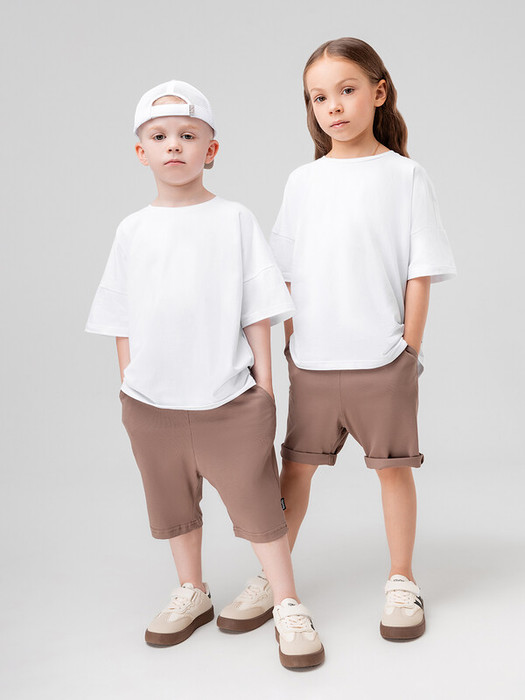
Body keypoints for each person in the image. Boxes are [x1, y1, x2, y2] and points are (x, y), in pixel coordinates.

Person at [84, 80, 324, 668]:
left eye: (188, 135)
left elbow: (257, 310)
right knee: (173, 505)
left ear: (210, 149)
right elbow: (121, 317)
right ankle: (191, 590)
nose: (174, 145)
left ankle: (286, 601)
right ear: (141, 151)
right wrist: (129, 386)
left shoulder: (233, 220)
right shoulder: (132, 230)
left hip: (228, 398)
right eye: (159, 136)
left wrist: (265, 390)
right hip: (151, 401)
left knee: (260, 506)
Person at [224, 38, 457, 641]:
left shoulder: (406, 176)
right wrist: (294, 346)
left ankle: (402, 579)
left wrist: (408, 350)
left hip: (383, 361)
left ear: (378, 92)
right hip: (313, 363)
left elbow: (420, 272)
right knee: (294, 474)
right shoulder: (303, 181)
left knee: (393, 471)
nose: (333, 106)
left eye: (346, 90)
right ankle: (273, 578)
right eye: (318, 97)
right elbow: (283, 274)